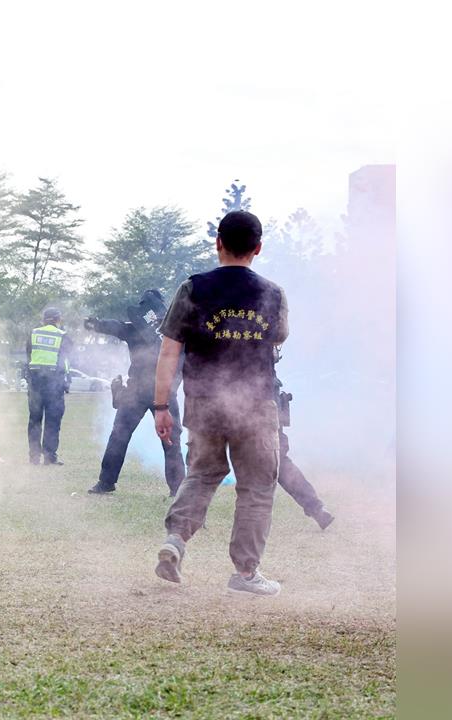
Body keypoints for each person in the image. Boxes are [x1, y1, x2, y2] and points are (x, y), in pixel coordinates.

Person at [152, 210, 289, 596]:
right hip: (257, 403)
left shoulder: (193, 288)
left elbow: (167, 352)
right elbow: (279, 337)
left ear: (218, 243)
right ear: (258, 248)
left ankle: (175, 540)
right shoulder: (273, 293)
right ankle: (245, 575)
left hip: (203, 400)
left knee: (202, 474)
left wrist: (161, 406)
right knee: (257, 487)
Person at [84, 290, 186, 495]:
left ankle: (106, 483)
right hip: (149, 391)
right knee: (165, 440)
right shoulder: (172, 331)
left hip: (149, 390)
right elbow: (117, 327)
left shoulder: (168, 331)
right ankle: (176, 489)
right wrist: (97, 324)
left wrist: (96, 324)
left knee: (123, 436)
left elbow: (117, 326)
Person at [274, 378, 335, 529]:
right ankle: (317, 510)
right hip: (255, 405)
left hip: (263, 409)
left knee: (280, 465)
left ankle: (317, 510)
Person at [26, 307, 72, 466]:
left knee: (34, 421)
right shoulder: (63, 336)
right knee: (53, 421)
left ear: (43, 319)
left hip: (35, 383)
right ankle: (49, 457)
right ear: (58, 319)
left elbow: (29, 356)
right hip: (54, 384)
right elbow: (65, 362)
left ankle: (33, 458)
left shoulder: (33, 334)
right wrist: (67, 381)